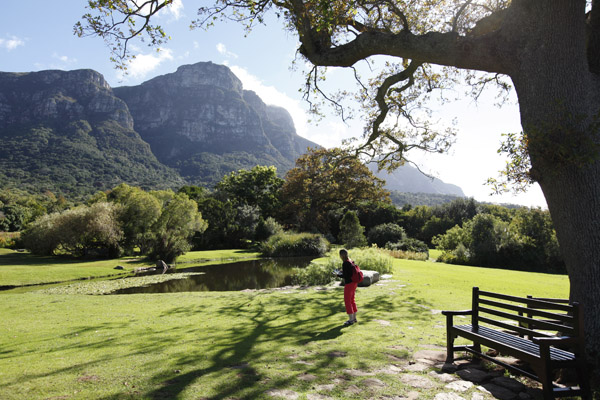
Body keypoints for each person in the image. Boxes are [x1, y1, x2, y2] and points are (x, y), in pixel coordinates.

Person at [339, 248, 358, 326]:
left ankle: (351, 320)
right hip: (354, 283)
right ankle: (354, 318)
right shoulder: (350, 261)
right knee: (352, 300)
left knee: (347, 301)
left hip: (349, 284)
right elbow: (349, 272)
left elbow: (346, 276)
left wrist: (338, 274)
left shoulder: (345, 263)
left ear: (341, 255)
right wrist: (342, 272)